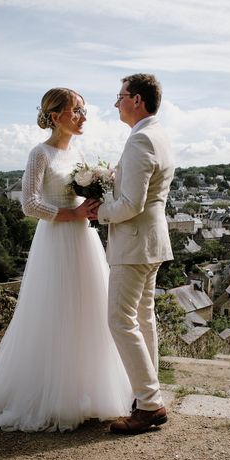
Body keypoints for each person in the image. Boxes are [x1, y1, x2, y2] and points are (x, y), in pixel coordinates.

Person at [0, 88, 133, 432]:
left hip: (84, 241)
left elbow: (84, 199)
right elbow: (29, 205)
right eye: (77, 111)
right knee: (56, 313)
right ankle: (52, 395)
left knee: (88, 312)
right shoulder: (39, 154)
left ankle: (85, 391)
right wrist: (73, 214)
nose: (83, 117)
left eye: (84, 111)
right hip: (56, 241)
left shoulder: (79, 153)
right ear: (56, 116)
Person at [89, 73, 174, 434]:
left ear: (137, 99)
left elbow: (131, 204)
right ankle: (146, 396)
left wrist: (99, 212)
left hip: (135, 242)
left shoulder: (140, 140)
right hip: (151, 242)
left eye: (120, 96)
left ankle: (150, 404)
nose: (116, 102)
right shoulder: (159, 135)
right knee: (143, 319)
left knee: (120, 321)